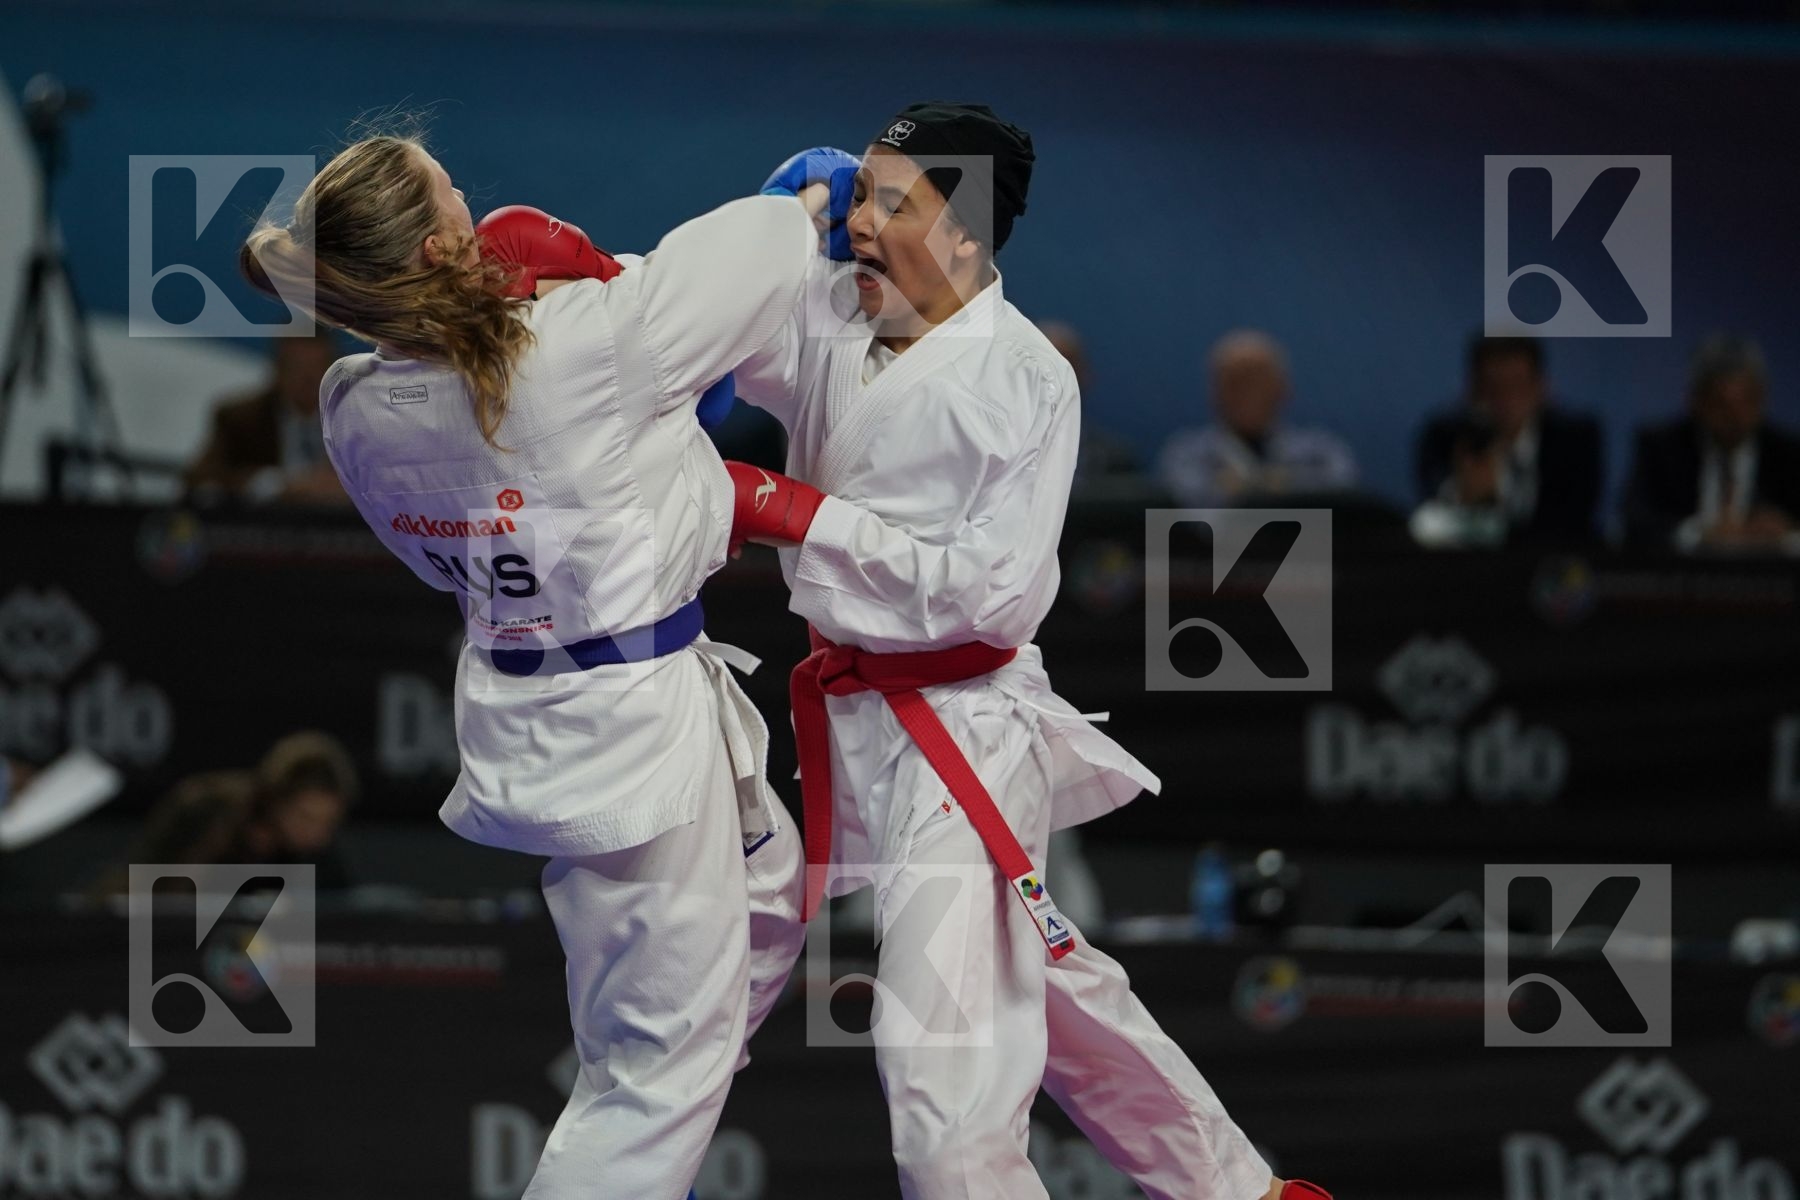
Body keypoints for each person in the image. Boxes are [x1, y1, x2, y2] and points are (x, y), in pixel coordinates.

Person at [728, 107, 1328, 1200]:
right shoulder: (825, 316)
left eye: (888, 202)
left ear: (963, 234)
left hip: (960, 728)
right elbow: (685, 336)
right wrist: (738, 242)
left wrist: (793, 513)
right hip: (848, 726)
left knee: (943, 1094)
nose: (856, 220)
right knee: (1047, 985)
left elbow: (987, 595)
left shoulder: (1023, 378)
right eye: (856, 193)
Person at [238, 130, 821, 1199]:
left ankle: (657, 1140)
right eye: (451, 189)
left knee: (771, 895)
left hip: (541, 697)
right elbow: (754, 260)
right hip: (630, 730)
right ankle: (644, 1145)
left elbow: (448, 545)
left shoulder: (352, 409)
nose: (472, 193)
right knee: (651, 1071)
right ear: (432, 247)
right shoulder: (568, 349)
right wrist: (801, 202)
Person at [1413, 334, 1602, 546]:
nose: (1505, 400)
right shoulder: (1445, 435)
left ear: (1541, 388)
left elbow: (1576, 519)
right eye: (1493, 388)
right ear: (1472, 390)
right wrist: (1462, 495)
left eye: (1517, 386)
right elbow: (1429, 514)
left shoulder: (1575, 439)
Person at [1624, 333, 1800, 554]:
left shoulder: (1790, 453)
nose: (1735, 417)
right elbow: (1635, 522)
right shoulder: (1661, 448)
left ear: (1763, 399)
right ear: (1695, 401)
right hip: (1682, 579)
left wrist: (1788, 533)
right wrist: (1697, 534)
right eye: (1721, 404)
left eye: (1747, 402)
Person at [1158, 329, 1358, 505]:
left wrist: (1237, 487)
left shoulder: (1321, 453)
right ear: (1215, 393)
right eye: (1235, 383)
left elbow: (1339, 502)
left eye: (1258, 381)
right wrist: (1279, 485)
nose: (1248, 394)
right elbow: (1190, 505)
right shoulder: (1184, 455)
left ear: (1283, 389)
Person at [184, 328, 351, 506]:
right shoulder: (241, 419)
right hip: (264, 527)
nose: (308, 378)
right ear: (278, 370)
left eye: (318, 367)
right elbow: (198, 479)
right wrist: (276, 485)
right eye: (298, 367)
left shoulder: (359, 420)